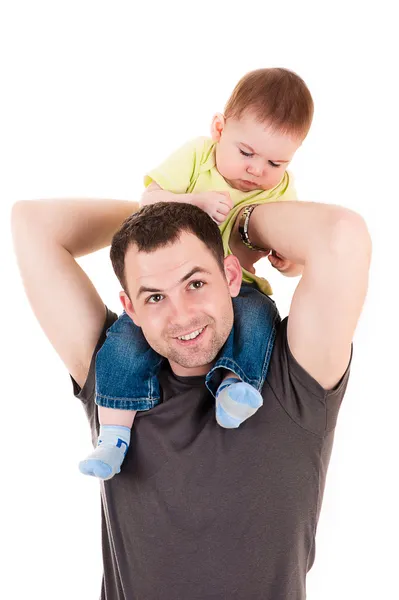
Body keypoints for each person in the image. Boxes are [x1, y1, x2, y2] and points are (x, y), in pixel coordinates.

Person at [11, 196, 371, 599]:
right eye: (155, 297)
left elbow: (343, 236)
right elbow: (32, 223)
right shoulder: (115, 384)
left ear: (231, 276)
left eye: (195, 283)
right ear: (130, 308)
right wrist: (159, 210)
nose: (181, 315)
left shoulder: (294, 376)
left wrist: (241, 223)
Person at [81, 67, 313, 480]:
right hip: (174, 281)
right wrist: (194, 201)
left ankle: (233, 386)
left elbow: (296, 249)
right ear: (219, 128)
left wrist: (289, 262)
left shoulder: (279, 189)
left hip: (240, 285)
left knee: (258, 319)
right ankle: (113, 434)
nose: (258, 170)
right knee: (125, 340)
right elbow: (148, 199)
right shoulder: (198, 156)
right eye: (246, 152)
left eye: (275, 161)